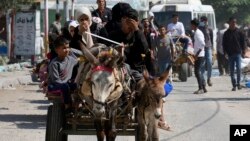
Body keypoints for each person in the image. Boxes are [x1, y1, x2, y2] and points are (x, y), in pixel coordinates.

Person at [47, 36, 80, 112]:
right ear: (56, 50)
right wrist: (66, 84)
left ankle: (78, 104)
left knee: (78, 85)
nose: (67, 50)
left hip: (66, 84)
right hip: (55, 85)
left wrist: (72, 50)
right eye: (64, 48)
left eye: (68, 47)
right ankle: (67, 105)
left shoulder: (71, 60)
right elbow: (56, 80)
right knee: (65, 86)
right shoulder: (54, 63)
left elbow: (82, 55)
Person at [223, 17, 246, 91]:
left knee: (239, 69)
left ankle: (238, 84)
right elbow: (224, 44)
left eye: (235, 22)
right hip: (230, 54)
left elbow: (243, 42)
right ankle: (234, 85)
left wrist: (244, 51)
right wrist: (225, 52)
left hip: (238, 53)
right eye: (232, 22)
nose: (234, 24)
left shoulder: (240, 32)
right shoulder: (226, 33)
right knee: (231, 71)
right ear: (229, 23)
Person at [191, 18, 206, 94]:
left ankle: (201, 88)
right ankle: (203, 87)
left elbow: (203, 44)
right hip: (199, 54)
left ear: (194, 25)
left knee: (197, 72)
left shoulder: (198, 33)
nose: (191, 26)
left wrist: (197, 54)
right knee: (198, 71)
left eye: (191, 25)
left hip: (199, 55)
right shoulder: (196, 32)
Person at [199, 16, 214, 86]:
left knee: (210, 62)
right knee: (202, 64)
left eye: (204, 20)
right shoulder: (198, 29)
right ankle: (203, 80)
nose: (203, 22)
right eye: (202, 20)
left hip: (208, 47)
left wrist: (213, 49)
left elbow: (211, 38)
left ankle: (209, 78)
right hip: (201, 48)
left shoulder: (209, 28)